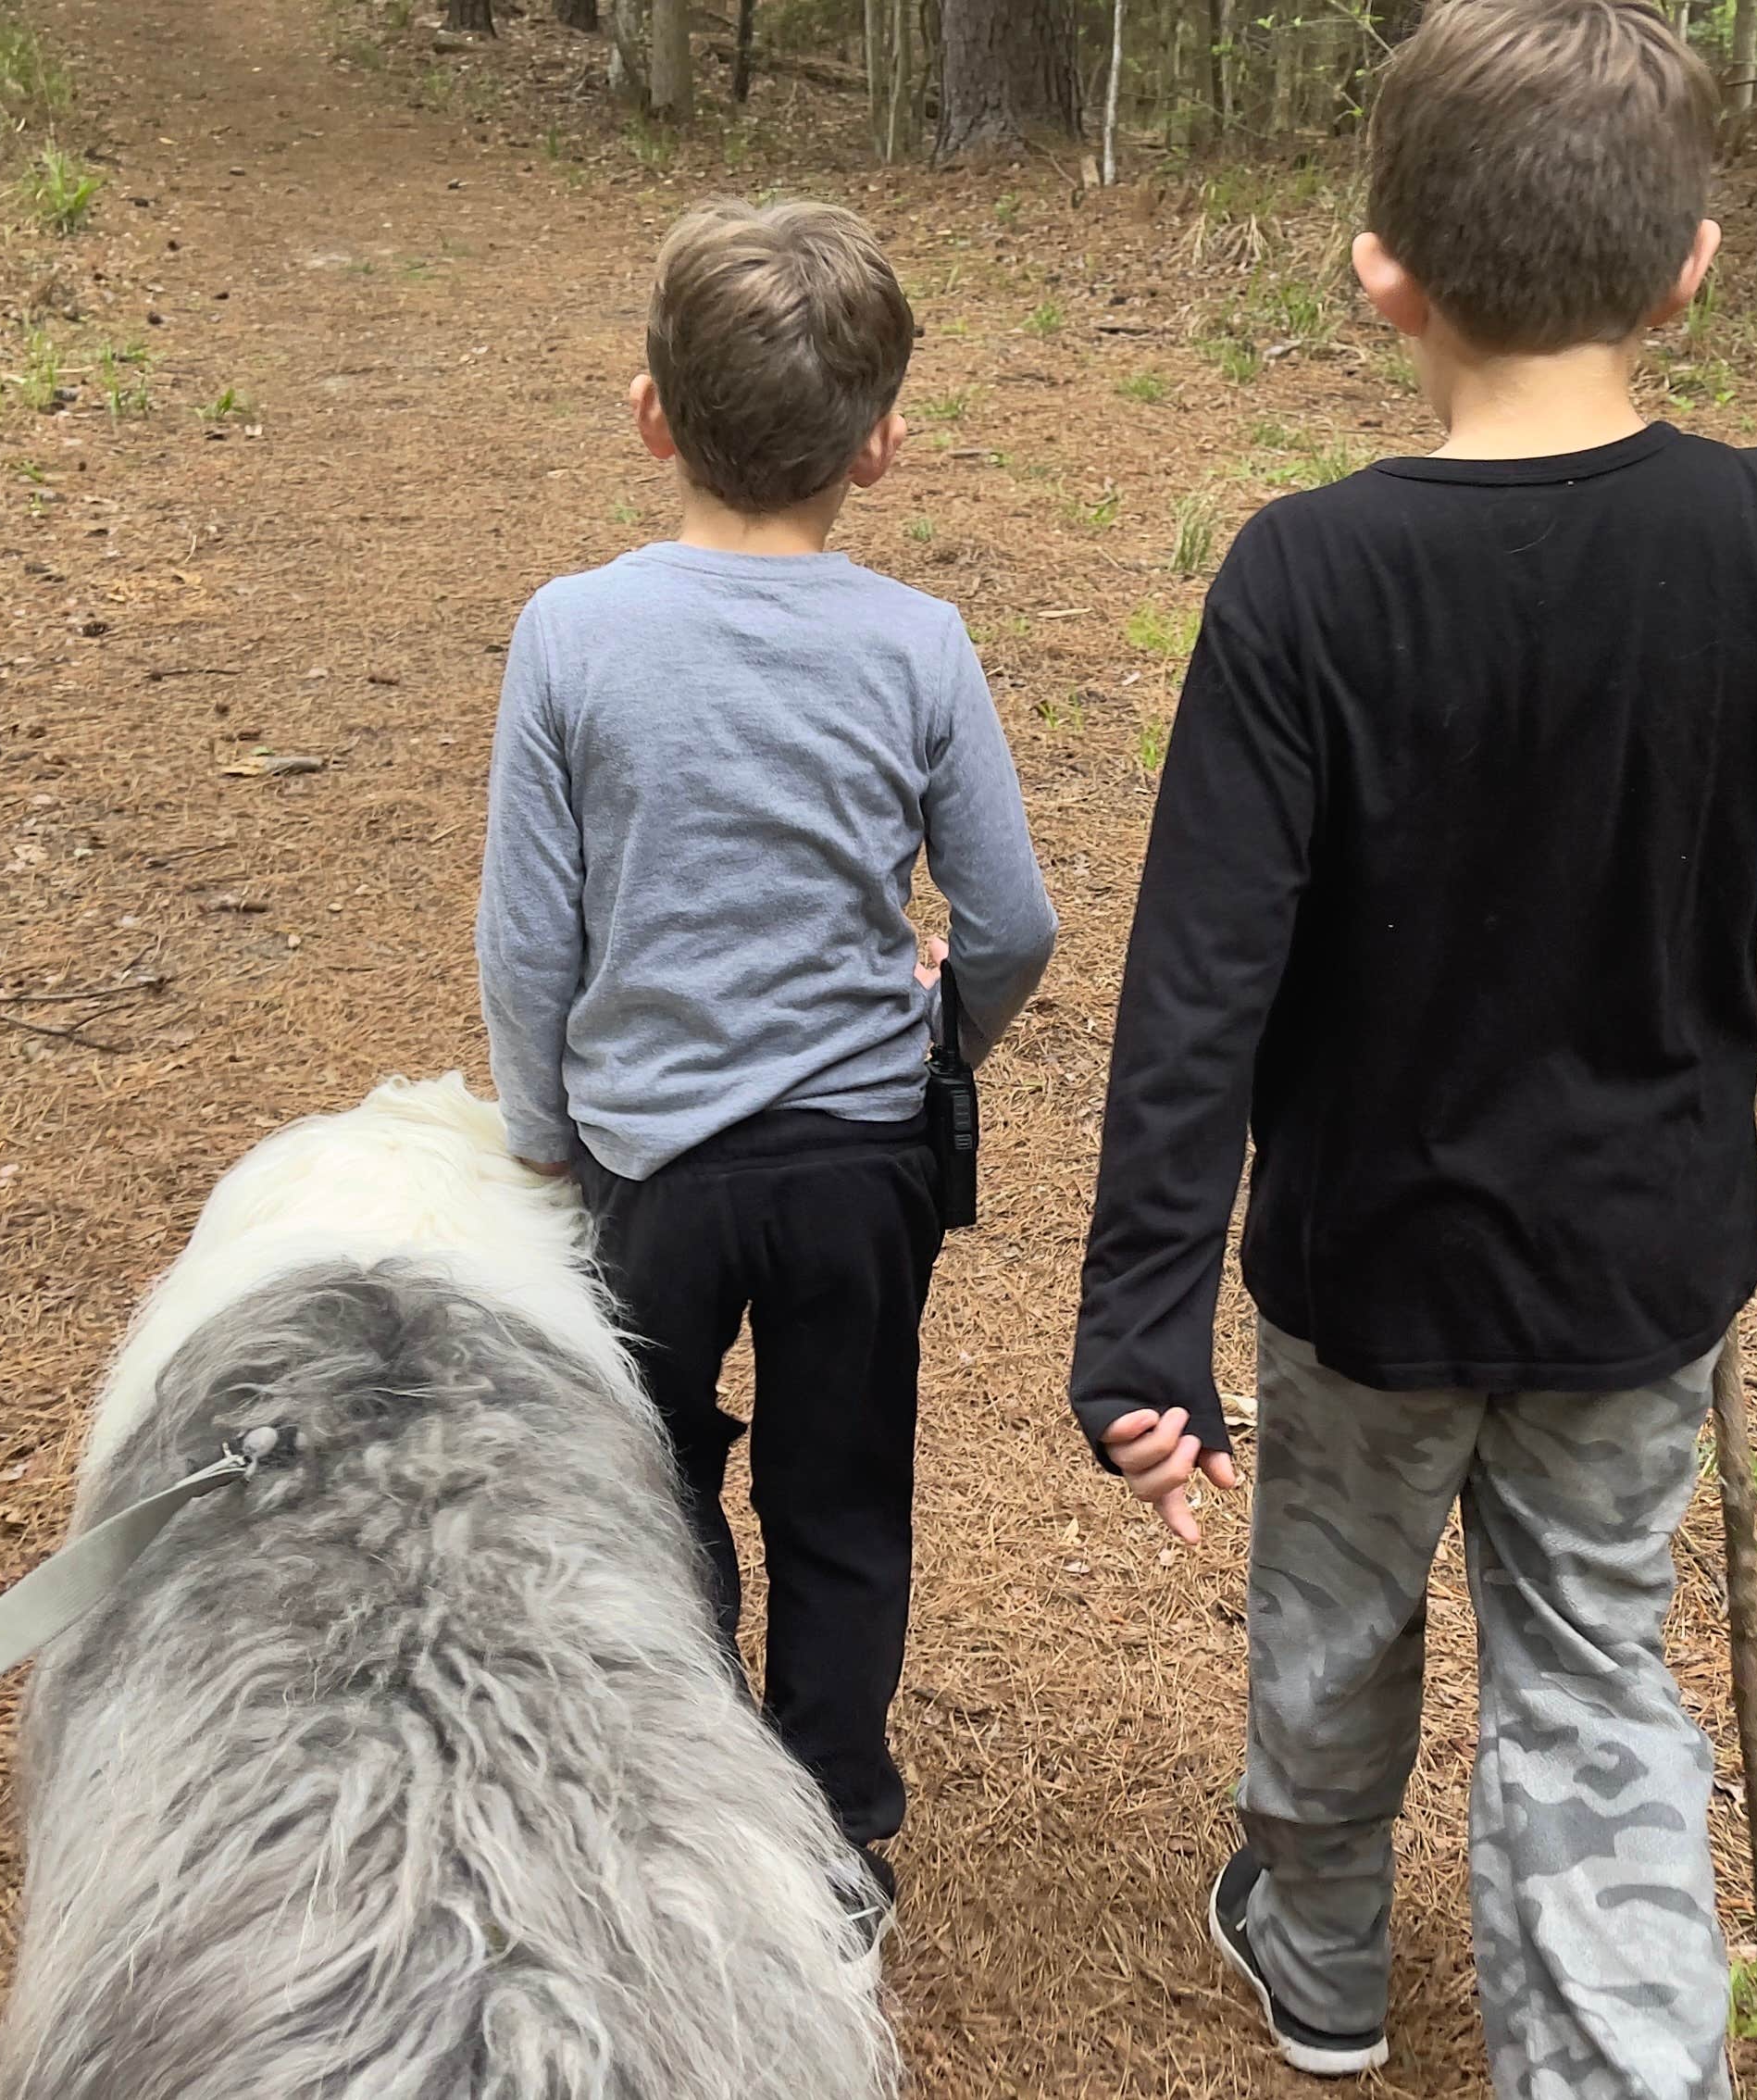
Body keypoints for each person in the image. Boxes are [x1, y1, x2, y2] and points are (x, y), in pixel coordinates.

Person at [1061, 3, 1757, 2091]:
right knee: (1591, 1676)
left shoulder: (1307, 574)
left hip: (1367, 1277)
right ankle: (1614, 2056)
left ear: (1381, 272)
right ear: (1691, 273)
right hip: (1634, 1273)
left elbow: (1200, 985)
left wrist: (1142, 1330)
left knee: (1332, 1623)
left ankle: (1321, 1953)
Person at [477, 198, 1059, 1943]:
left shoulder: (571, 634)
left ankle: (680, 1801)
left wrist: (542, 1140)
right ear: (880, 445)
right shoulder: (919, 644)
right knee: (841, 1489)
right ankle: (833, 1830)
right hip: (858, 1169)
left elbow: (530, 940)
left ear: (651, 413)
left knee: (650, 1485)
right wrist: (938, 1041)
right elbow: (1013, 923)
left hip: (649, 1167)